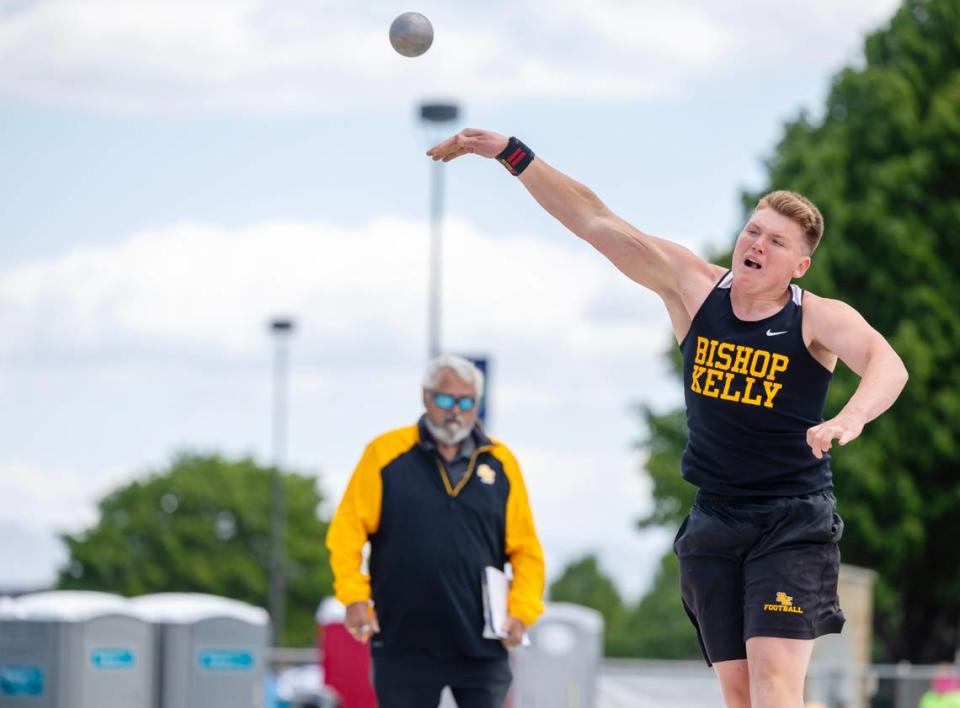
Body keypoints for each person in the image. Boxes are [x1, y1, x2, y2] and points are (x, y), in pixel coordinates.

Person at [427, 130, 908, 708]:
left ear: (799, 265)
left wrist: (848, 419)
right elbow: (595, 221)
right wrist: (511, 152)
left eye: (776, 241)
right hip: (715, 518)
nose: (757, 244)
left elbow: (887, 364)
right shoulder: (693, 289)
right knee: (738, 693)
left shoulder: (816, 318)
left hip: (792, 520)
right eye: (753, 230)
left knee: (775, 685)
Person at [326, 354, 545, 708]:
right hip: (403, 643)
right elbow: (346, 532)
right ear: (426, 397)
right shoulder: (384, 454)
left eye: (466, 402)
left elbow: (526, 551)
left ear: (477, 405)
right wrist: (353, 596)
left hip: (482, 647)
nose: (455, 411)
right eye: (445, 399)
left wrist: (521, 612)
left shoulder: (501, 463)